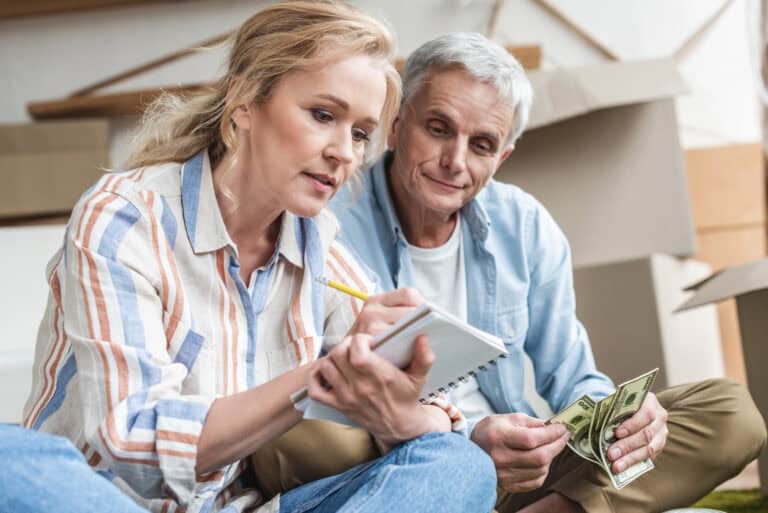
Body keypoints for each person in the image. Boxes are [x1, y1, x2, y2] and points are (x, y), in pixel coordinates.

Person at [18, 5, 497, 513]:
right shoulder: (125, 220)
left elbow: (439, 419)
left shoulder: (320, 249)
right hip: (99, 502)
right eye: (323, 115)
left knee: (459, 465)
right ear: (245, 101)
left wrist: (404, 413)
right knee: (9, 456)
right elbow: (132, 444)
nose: (345, 153)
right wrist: (321, 379)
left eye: (359, 133)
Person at [328, 32, 768, 512]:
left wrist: (625, 419)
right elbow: (330, 393)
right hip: (405, 471)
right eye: (438, 128)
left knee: (730, 413)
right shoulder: (331, 222)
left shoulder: (526, 226)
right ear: (396, 125)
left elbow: (573, 377)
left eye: (481, 144)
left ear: (502, 159)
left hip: (523, 473)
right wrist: (466, 435)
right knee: (321, 442)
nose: (455, 161)